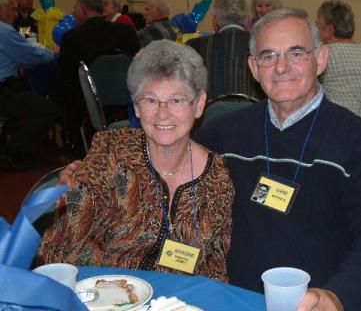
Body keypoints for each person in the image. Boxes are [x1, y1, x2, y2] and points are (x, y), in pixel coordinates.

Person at [59, 8, 361, 310]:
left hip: (313, 301)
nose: (282, 67)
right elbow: (165, 144)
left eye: (297, 53)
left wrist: (338, 296)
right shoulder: (226, 133)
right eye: (269, 56)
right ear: (253, 68)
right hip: (231, 297)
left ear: (321, 60)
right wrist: (91, 172)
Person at [37, 40, 234, 282]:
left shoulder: (218, 177)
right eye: (150, 100)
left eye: (176, 100)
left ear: (199, 104)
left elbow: (215, 268)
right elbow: (60, 245)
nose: (163, 113)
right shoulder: (111, 153)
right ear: (136, 107)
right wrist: (122, 289)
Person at [54, 0, 140, 152]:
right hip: (126, 94)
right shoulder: (125, 31)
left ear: (82, 10)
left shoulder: (72, 37)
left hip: (89, 99)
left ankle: (75, 140)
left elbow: (66, 79)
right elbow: (138, 63)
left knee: (65, 92)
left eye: (75, 10)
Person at [0, 0, 58, 171]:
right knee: (51, 110)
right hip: (3, 92)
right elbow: (32, 56)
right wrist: (54, 52)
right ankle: (13, 148)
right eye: (12, 9)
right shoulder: (5, 31)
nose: (15, 14)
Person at [186, 0, 263, 99]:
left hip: (210, 113)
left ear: (216, 20)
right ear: (247, 19)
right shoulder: (261, 45)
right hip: (253, 112)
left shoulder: (195, 46)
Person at [315, 0, 361, 118]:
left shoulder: (325, 53)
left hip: (339, 121)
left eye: (318, 25)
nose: (315, 31)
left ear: (329, 29)